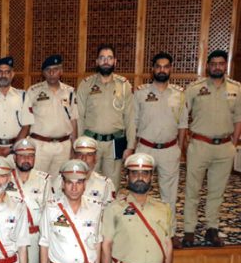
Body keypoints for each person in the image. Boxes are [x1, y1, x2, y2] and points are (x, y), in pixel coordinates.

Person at [182, 50, 241, 247]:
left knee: (217, 192)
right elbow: (182, 115)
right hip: (199, 145)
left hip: (224, 148)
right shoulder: (194, 88)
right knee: (192, 190)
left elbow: (238, 118)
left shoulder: (236, 88)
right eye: (213, 63)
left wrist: (233, 143)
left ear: (226, 66)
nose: (217, 66)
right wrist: (184, 142)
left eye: (221, 63)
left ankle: (211, 229)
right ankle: (189, 230)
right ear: (207, 66)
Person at [133, 52, 187, 248]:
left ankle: (169, 232)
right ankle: (139, 229)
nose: (162, 70)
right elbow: (134, 123)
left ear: (170, 69)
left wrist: (180, 149)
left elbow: (183, 124)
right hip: (145, 148)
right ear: (153, 69)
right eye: (158, 66)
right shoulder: (140, 93)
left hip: (169, 150)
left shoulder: (179, 94)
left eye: (166, 66)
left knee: (169, 195)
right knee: (139, 191)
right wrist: (132, 149)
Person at [76, 44, 135, 187]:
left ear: (115, 61)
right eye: (102, 58)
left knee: (112, 185)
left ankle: (110, 209)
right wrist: (79, 145)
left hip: (115, 143)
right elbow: (79, 117)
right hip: (91, 143)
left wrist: (131, 145)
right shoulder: (86, 85)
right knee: (88, 183)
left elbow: (130, 117)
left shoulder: (124, 85)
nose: (106, 61)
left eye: (109, 58)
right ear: (97, 62)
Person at [25, 55, 77, 177]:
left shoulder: (69, 92)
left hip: (63, 146)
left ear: (61, 71)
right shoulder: (33, 91)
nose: (52, 72)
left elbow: (73, 120)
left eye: (56, 69)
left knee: (59, 183)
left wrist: (73, 147)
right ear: (43, 73)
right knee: (37, 181)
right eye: (48, 70)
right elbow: (26, 120)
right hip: (40, 145)